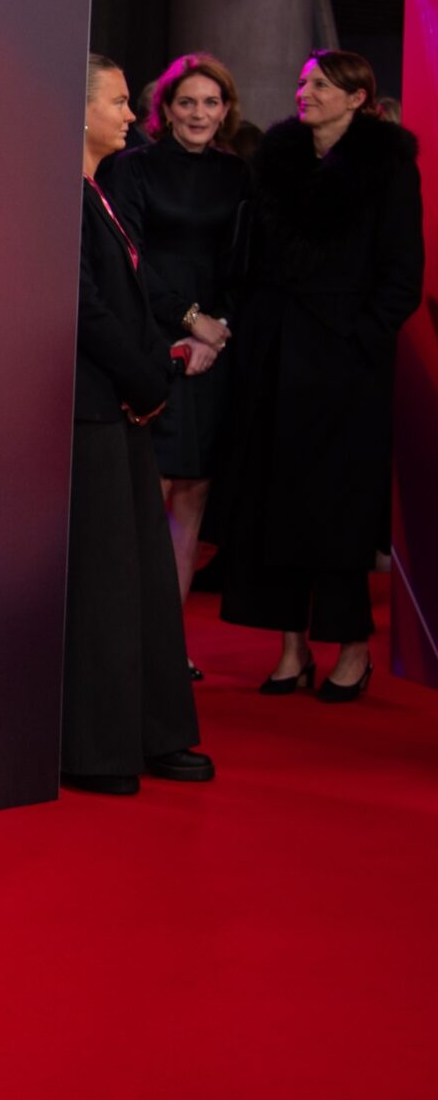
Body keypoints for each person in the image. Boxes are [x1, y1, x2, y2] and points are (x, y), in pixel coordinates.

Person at [211, 50, 424, 701]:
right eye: (303, 81)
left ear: (357, 97)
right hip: (273, 357)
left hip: (343, 370)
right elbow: (250, 257)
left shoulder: (386, 167)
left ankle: (352, 645)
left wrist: (359, 339)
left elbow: (401, 274)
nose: (305, 92)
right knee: (272, 505)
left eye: (321, 84)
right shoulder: (276, 160)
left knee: (336, 509)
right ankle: (290, 647)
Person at [64, 55, 212, 794]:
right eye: (118, 101)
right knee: (107, 589)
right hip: (92, 409)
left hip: (121, 407)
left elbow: (129, 291)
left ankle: (154, 735)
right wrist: (151, 373)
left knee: (144, 583)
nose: (131, 114)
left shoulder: (99, 194)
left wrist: (160, 360)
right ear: (79, 107)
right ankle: (101, 749)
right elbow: (85, 310)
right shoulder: (61, 196)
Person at [101, 55, 254, 668]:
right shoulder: (129, 168)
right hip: (153, 340)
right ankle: (132, 643)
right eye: (186, 102)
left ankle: (169, 648)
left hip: (215, 351)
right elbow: (129, 258)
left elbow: (246, 262)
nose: (199, 114)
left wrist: (218, 333)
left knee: (192, 495)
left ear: (226, 110)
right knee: (150, 491)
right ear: (164, 109)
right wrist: (190, 325)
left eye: (211, 103)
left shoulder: (239, 175)